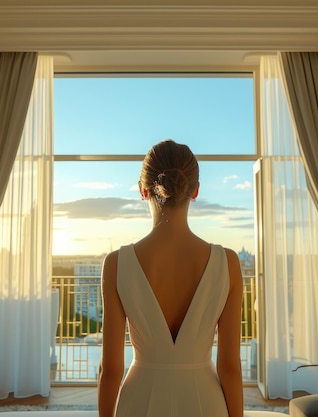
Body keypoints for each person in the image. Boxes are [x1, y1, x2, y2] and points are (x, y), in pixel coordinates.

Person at [97, 139, 244, 417]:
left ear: (143, 190)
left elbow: (111, 370)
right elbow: (230, 368)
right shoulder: (229, 263)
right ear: (195, 191)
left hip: (139, 402)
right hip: (206, 403)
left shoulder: (116, 264)